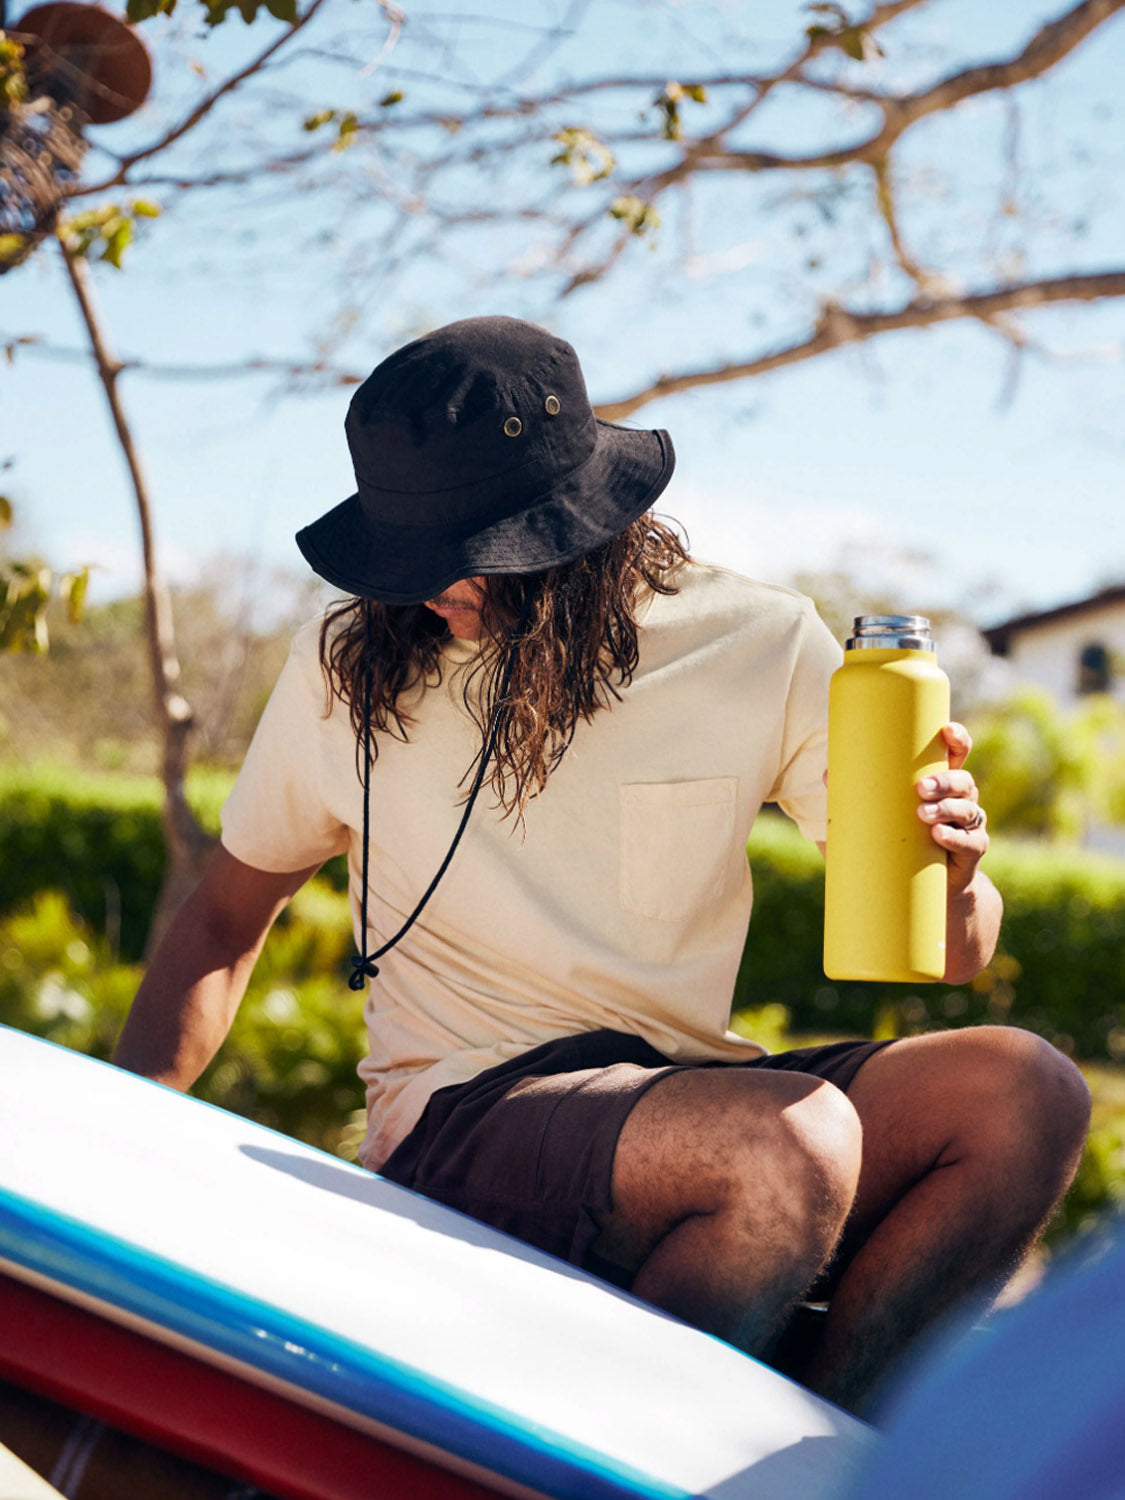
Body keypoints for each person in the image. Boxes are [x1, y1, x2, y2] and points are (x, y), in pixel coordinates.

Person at [113, 315, 1090, 1415]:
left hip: (682, 1100)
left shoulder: (760, 644)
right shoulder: (350, 669)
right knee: (789, 1146)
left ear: (572, 535)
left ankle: (827, 1451)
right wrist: (111, 1161)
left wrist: (954, 873)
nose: (424, 590)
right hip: (464, 1109)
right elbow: (222, 920)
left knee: (1025, 1092)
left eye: (460, 559)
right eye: (406, 555)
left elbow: (951, 959)